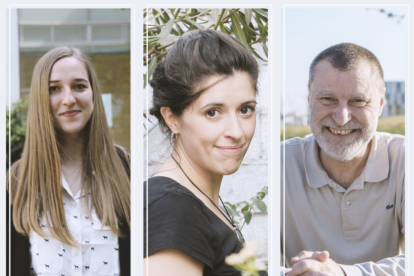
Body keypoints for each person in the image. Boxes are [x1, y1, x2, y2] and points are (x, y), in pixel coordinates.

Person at [144, 29, 267, 276]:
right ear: (172, 119)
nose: (236, 131)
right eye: (213, 112)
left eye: (245, 109)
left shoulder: (197, 200)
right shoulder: (171, 209)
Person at [282, 43, 404, 275]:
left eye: (358, 101)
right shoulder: (279, 165)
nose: (341, 118)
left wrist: (343, 273)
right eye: (327, 99)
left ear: (379, 104)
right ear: (309, 98)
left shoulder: (406, 159)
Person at [7, 46, 131, 276]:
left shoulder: (127, 171)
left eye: (79, 86)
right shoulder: (16, 183)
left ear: (93, 93)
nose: (69, 99)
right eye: (54, 89)